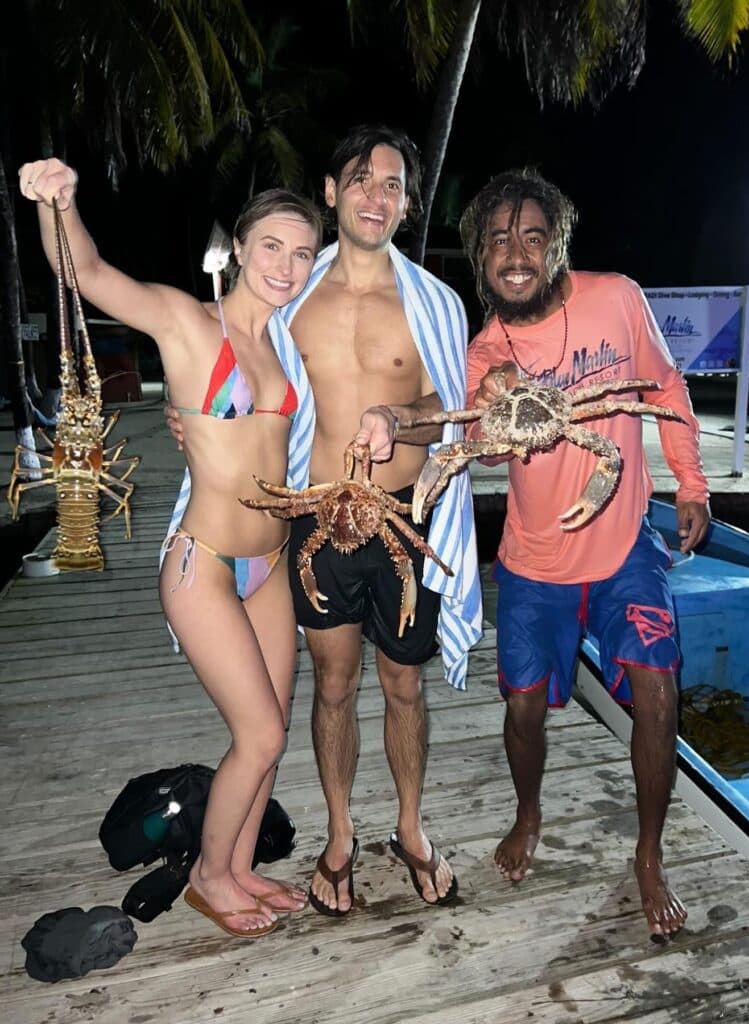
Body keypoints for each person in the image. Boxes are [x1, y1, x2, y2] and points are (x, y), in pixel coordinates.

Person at [167, 125, 483, 915]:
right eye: (361, 180)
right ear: (332, 192)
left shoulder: (436, 303)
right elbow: (234, 373)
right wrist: (195, 417)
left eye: (393, 184)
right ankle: (339, 838)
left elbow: (450, 407)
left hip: (406, 521)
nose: (377, 195)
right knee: (333, 684)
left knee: (403, 685)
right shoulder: (291, 293)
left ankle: (410, 830)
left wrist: (398, 414)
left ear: (406, 204)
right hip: (312, 524)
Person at [20, 158, 324, 938]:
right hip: (207, 566)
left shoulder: (287, 348)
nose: (284, 266)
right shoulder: (189, 322)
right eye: (271, 248)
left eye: (300, 253)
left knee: (270, 733)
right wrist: (62, 200)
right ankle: (209, 879)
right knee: (256, 735)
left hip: (270, 568)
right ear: (241, 247)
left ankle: (243, 862)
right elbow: (86, 271)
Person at [463, 169, 710, 937]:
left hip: (624, 537)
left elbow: (661, 388)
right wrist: (495, 413)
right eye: (497, 239)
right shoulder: (483, 352)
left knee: (658, 691)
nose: (514, 251)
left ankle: (648, 853)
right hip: (534, 557)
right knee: (523, 709)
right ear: (479, 257)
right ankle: (527, 812)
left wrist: (690, 484)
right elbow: (479, 446)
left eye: (530, 236)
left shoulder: (615, 298)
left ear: (556, 244)